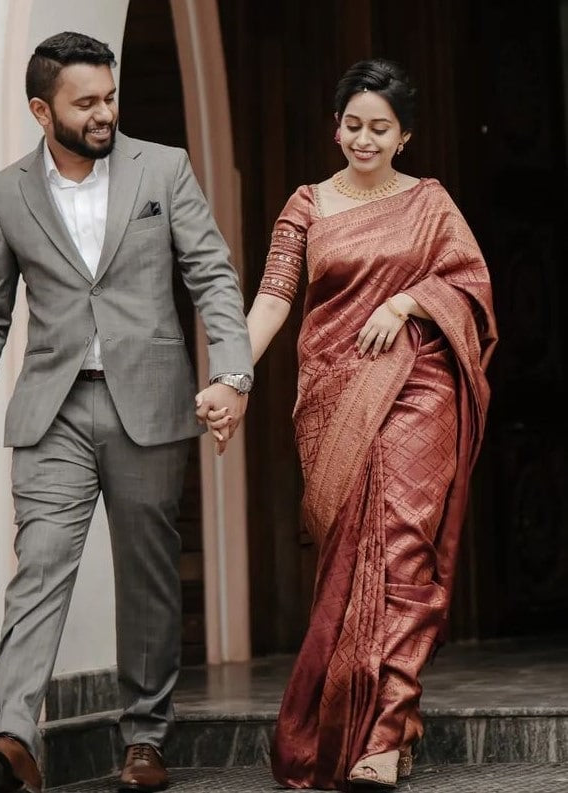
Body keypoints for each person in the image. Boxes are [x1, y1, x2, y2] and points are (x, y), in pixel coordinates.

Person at [0, 31, 253, 793]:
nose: (105, 112)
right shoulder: (4, 193)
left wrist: (233, 373)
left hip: (147, 405)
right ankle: (12, 736)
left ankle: (144, 739)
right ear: (41, 109)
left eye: (110, 96)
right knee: (39, 567)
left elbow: (211, 273)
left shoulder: (164, 168)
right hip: (52, 411)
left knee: (147, 575)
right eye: (87, 102)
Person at [206, 59, 497, 790]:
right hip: (333, 396)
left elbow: (471, 283)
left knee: (403, 552)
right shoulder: (306, 205)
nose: (362, 139)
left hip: (418, 385)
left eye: (380, 129)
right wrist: (232, 374)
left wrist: (407, 303)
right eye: (353, 125)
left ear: (405, 137)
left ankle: (386, 730)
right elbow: (272, 300)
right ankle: (374, 727)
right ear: (335, 125)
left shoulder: (430, 203)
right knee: (350, 564)